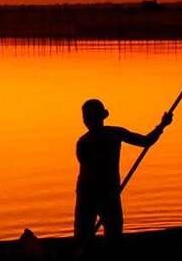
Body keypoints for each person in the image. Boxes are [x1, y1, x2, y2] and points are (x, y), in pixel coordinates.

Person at [74, 99, 172, 240]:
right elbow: (91, 171)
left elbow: (145, 142)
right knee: (88, 235)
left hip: (102, 192)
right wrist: (162, 125)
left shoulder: (109, 135)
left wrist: (162, 125)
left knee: (107, 233)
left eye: (89, 118)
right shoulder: (89, 141)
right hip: (94, 193)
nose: (88, 122)